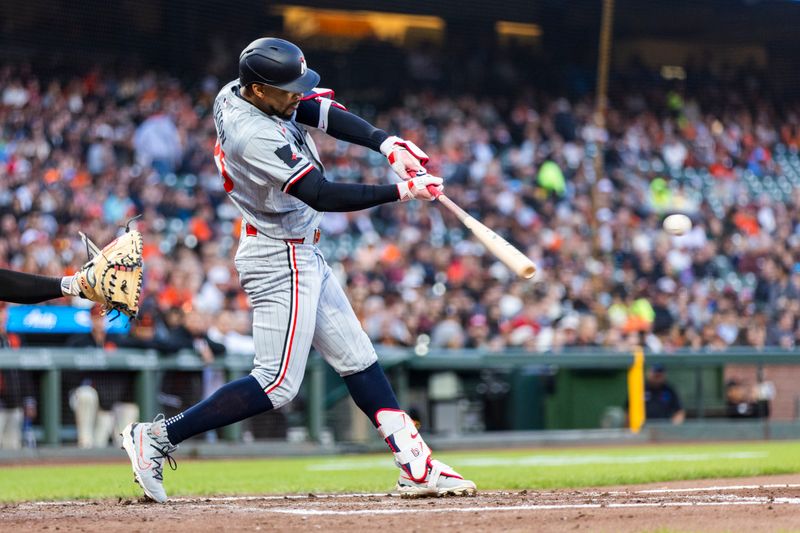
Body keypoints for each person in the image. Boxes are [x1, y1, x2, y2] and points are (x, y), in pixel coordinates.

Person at [121, 37, 475, 503]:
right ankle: (157, 437)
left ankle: (416, 464)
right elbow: (321, 195)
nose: (297, 95)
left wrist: (386, 144)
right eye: (286, 88)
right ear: (260, 90)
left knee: (358, 358)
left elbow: (315, 111)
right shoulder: (252, 134)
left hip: (299, 248)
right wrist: (403, 192)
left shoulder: (239, 91)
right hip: (278, 253)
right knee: (276, 383)